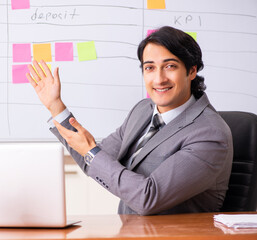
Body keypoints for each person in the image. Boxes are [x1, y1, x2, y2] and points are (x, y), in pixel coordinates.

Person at [26, 26, 233, 215]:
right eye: (150, 68)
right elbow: (92, 160)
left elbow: (147, 197)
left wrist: (90, 151)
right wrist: (56, 106)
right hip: (130, 232)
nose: (159, 79)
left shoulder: (210, 133)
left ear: (192, 71)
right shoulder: (143, 111)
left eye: (170, 66)